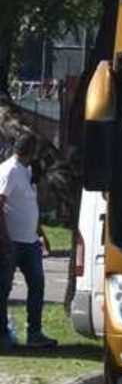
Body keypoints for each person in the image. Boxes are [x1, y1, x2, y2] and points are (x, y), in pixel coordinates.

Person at [1, 134, 56, 350]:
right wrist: (4, 239)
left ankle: (34, 333)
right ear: (30, 150)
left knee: (37, 286)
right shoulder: (10, 171)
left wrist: (41, 233)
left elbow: (27, 207)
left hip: (30, 241)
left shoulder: (28, 171)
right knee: (3, 289)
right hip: (12, 241)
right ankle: (3, 335)